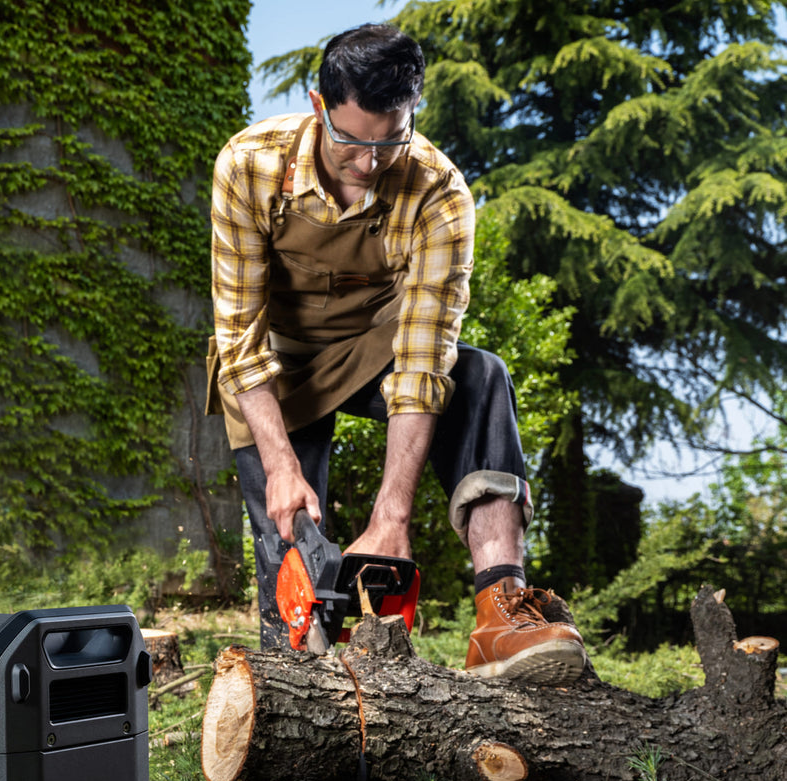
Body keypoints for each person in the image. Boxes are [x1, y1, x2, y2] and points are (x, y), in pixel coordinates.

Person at [207, 22, 586, 683]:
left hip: (373, 344)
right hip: (276, 364)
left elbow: (419, 360)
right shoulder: (248, 165)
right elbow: (239, 332)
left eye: (392, 139)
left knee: (478, 375)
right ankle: (297, 696)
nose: (370, 162)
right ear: (318, 105)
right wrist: (279, 465)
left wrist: (391, 517)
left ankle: (501, 604)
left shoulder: (438, 193)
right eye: (352, 140)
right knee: (291, 561)